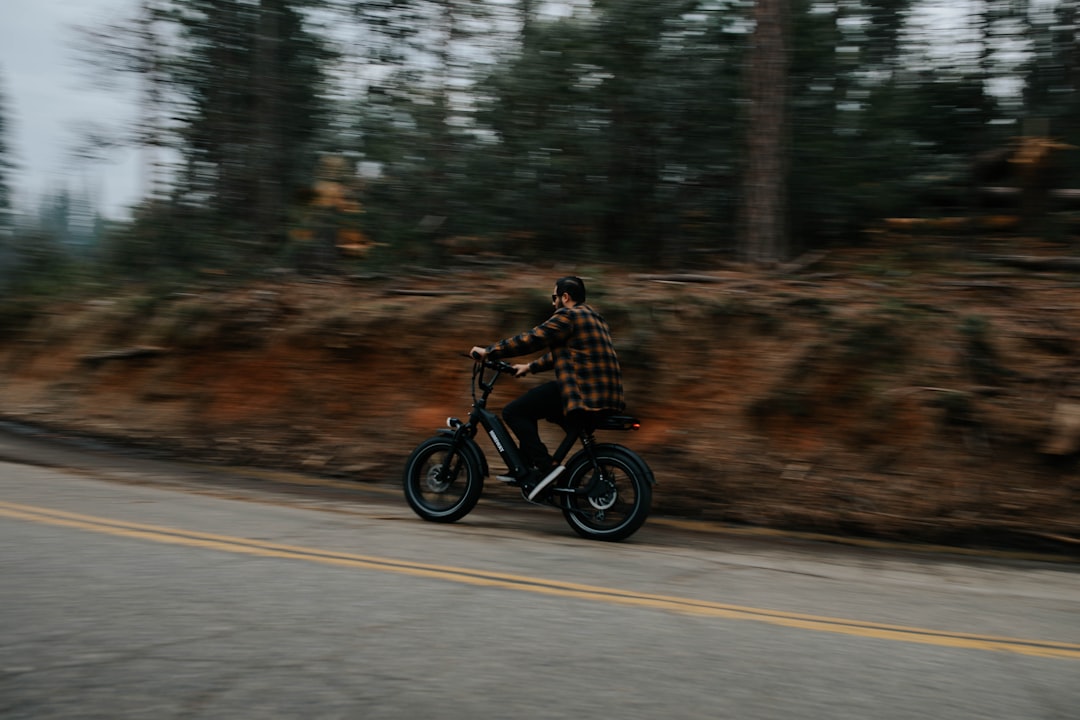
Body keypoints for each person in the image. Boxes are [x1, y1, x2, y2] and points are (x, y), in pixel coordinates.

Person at [470, 276, 625, 500]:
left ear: (565, 297)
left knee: (515, 411)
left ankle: (545, 469)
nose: (553, 303)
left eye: (554, 298)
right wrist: (529, 367)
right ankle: (531, 467)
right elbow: (566, 354)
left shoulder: (567, 315)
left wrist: (489, 351)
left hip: (582, 392)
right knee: (537, 408)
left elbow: (532, 339)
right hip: (607, 396)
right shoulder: (595, 318)